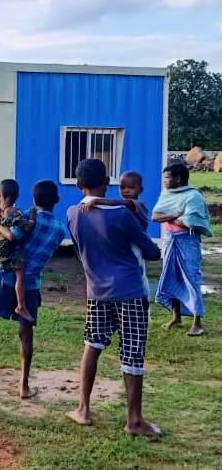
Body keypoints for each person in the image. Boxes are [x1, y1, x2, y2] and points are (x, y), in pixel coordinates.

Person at [66, 159, 162, 437]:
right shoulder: (122, 214)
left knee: (92, 343)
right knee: (132, 351)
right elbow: (152, 253)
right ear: (108, 181)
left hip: (96, 290)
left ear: (80, 184)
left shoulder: (73, 213)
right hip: (130, 290)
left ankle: (83, 409)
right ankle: (134, 421)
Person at [0, 180, 65, 399]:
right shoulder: (59, 230)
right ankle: (23, 385)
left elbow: (14, 235)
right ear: (56, 200)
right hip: (30, 284)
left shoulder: (28, 219)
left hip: (5, 278)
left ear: (33, 199)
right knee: (25, 332)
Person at [152, 163, 212, 337]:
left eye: (167, 177)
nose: (164, 181)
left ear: (178, 179)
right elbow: (156, 216)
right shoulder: (167, 193)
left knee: (191, 278)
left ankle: (197, 323)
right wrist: (178, 214)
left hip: (188, 241)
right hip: (170, 240)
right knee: (172, 275)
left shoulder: (193, 196)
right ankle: (176, 317)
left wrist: (172, 217)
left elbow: (191, 222)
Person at [0, 179, 36, 322]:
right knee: (21, 276)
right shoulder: (12, 211)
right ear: (15, 196)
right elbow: (25, 229)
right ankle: (21, 306)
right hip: (12, 252)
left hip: (1, 252)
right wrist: (32, 216)